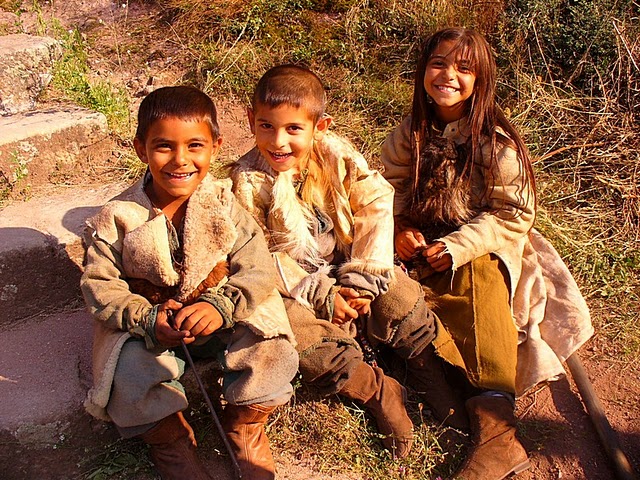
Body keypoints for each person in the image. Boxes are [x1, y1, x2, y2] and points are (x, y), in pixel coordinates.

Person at [381, 27, 594, 479]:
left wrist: (457, 246)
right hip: (423, 246)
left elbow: (513, 214)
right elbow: (388, 190)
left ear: (480, 80)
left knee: (478, 282)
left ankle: (498, 434)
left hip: (481, 244)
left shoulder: (496, 143)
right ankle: (445, 388)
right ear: (423, 71)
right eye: (438, 63)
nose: (448, 75)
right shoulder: (409, 133)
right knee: (386, 290)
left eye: (463, 68)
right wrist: (400, 227)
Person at [80, 85, 298, 480]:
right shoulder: (118, 217)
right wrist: (147, 318)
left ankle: (245, 424)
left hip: (221, 320)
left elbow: (256, 267)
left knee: (270, 340)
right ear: (140, 149)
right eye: (164, 146)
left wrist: (221, 305)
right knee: (126, 369)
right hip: (154, 330)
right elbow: (100, 286)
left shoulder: (224, 202)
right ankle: (170, 440)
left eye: (195, 146)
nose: (180, 160)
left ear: (215, 147)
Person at [230, 64, 444, 460]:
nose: (278, 141)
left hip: (351, 269)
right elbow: (260, 255)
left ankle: (429, 373)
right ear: (250, 120)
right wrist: (324, 295)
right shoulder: (247, 182)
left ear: (320, 126)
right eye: (266, 126)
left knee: (398, 294)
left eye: (293, 129)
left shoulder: (337, 156)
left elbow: (375, 205)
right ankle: (376, 389)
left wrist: (361, 282)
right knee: (292, 328)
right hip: (297, 286)